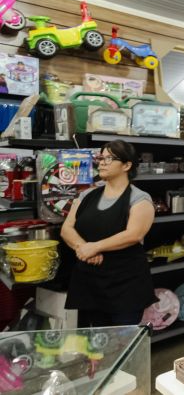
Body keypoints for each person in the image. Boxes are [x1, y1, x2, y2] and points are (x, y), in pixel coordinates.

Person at [61, 140, 156, 327]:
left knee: (123, 342)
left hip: (124, 286)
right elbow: (66, 229)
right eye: (101, 157)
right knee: (95, 344)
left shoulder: (140, 199)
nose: (102, 163)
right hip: (90, 284)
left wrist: (94, 247)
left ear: (127, 165)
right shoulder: (86, 195)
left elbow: (133, 235)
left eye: (109, 158)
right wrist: (84, 249)